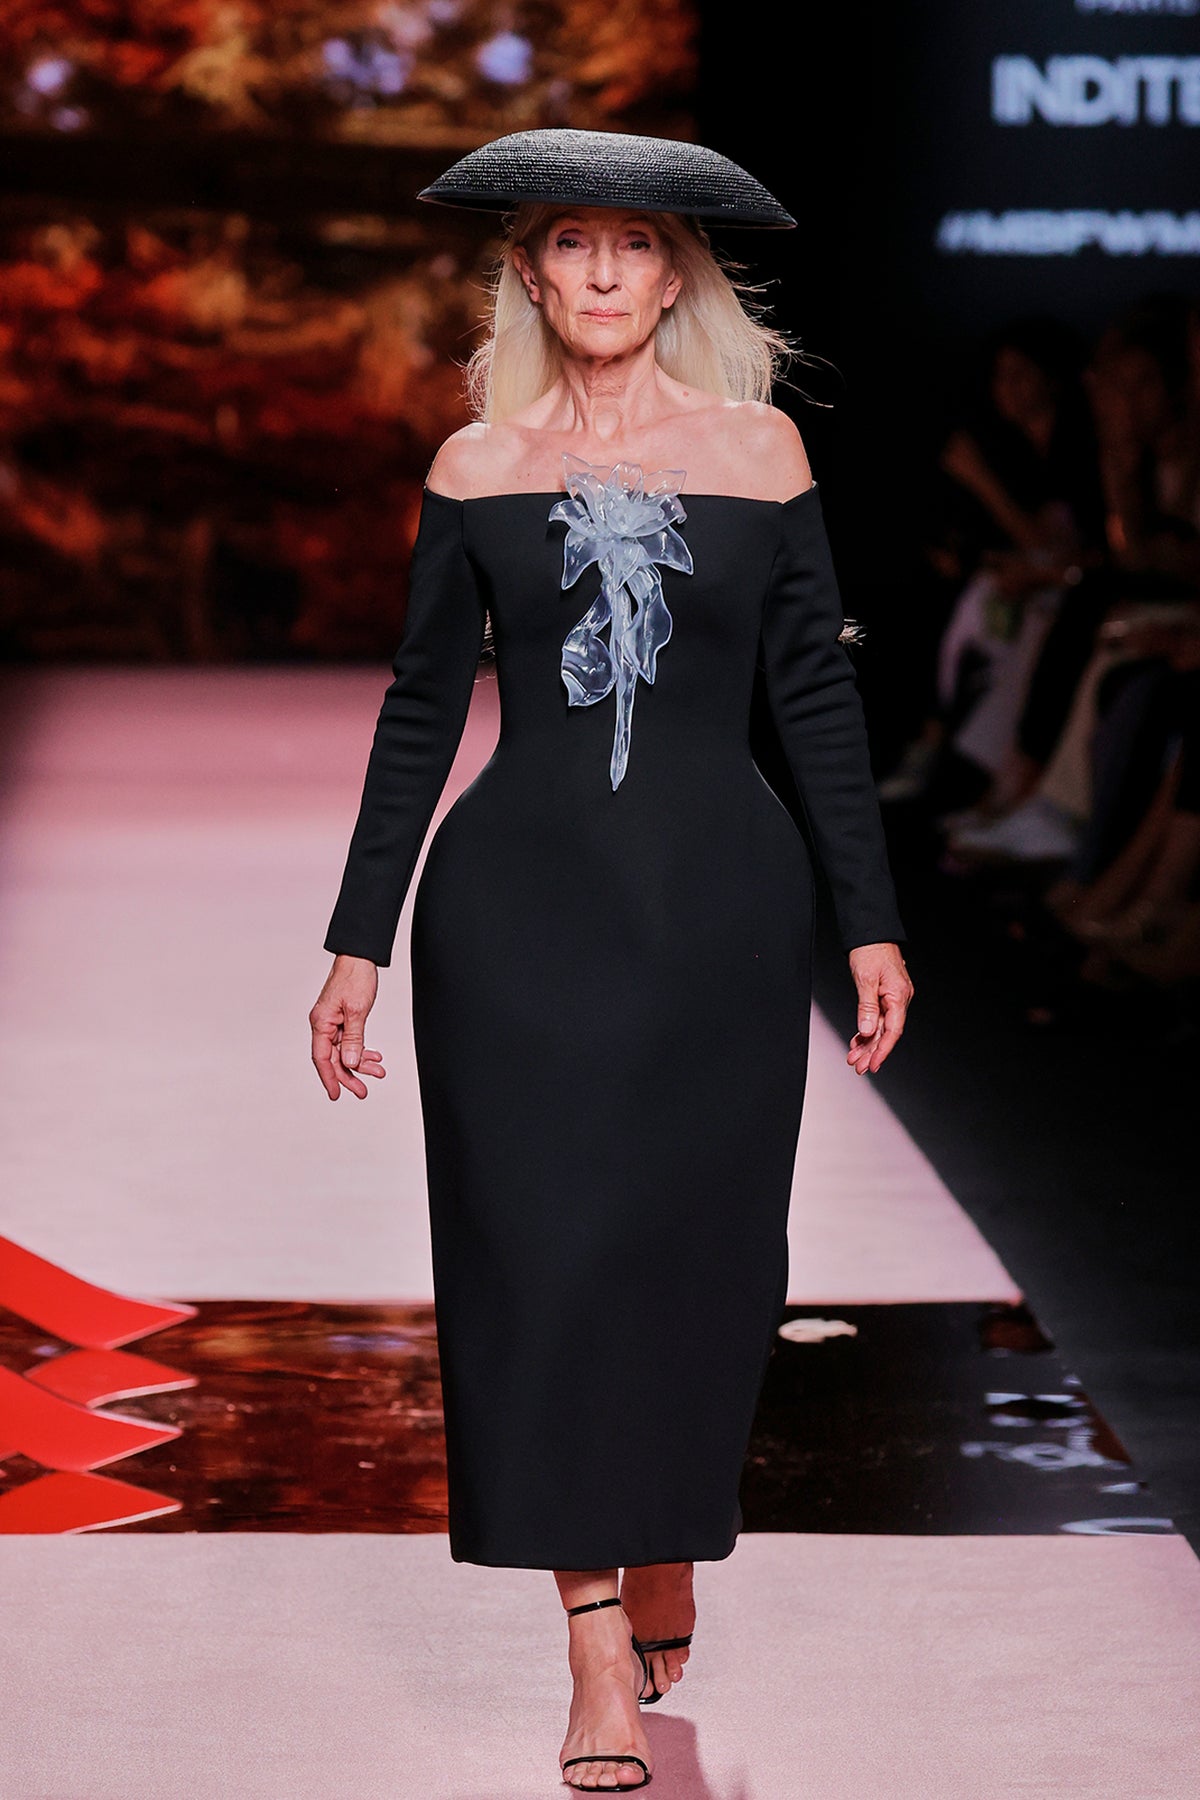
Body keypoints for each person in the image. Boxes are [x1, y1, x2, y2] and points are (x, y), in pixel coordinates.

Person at [309, 127, 912, 1793]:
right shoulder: (475, 465)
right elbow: (422, 706)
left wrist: (868, 917)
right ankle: (590, 1639)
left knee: (705, 1255)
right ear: (527, 273)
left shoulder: (762, 450)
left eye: (633, 246)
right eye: (570, 243)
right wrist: (359, 938)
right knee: (539, 1255)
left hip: (720, 915)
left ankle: (667, 1530)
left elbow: (813, 696)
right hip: (516, 916)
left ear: (675, 275)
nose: (600, 272)